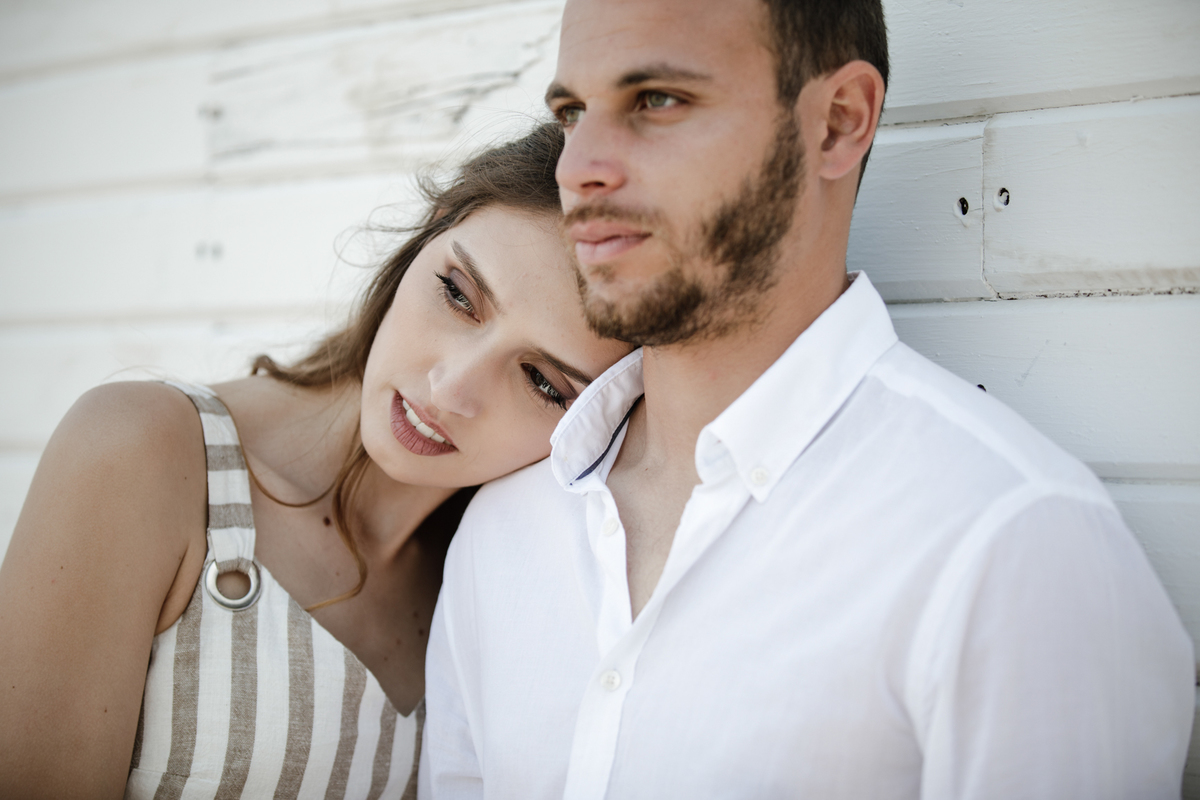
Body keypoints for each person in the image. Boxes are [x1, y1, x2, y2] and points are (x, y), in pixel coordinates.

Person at [420, 1, 1195, 797]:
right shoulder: (505, 527)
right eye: (573, 112)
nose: (577, 165)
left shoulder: (1012, 544)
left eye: (656, 100)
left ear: (836, 123)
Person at [0, 123, 631, 799]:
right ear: (427, 235)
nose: (450, 389)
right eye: (457, 295)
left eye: (542, 382)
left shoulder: (509, 585)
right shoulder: (144, 452)